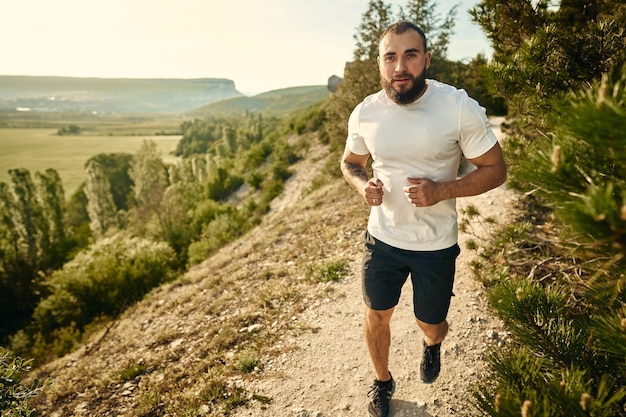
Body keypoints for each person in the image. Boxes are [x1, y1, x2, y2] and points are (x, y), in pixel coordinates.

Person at [340, 21, 507, 417]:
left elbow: (496, 169)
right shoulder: (365, 112)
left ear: (427, 59)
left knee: (430, 324)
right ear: (380, 64)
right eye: (391, 57)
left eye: (410, 55)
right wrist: (363, 187)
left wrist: (442, 190)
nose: (401, 66)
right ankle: (382, 382)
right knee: (376, 314)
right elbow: (349, 163)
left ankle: (432, 346)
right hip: (381, 239)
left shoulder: (456, 107)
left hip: (434, 246)